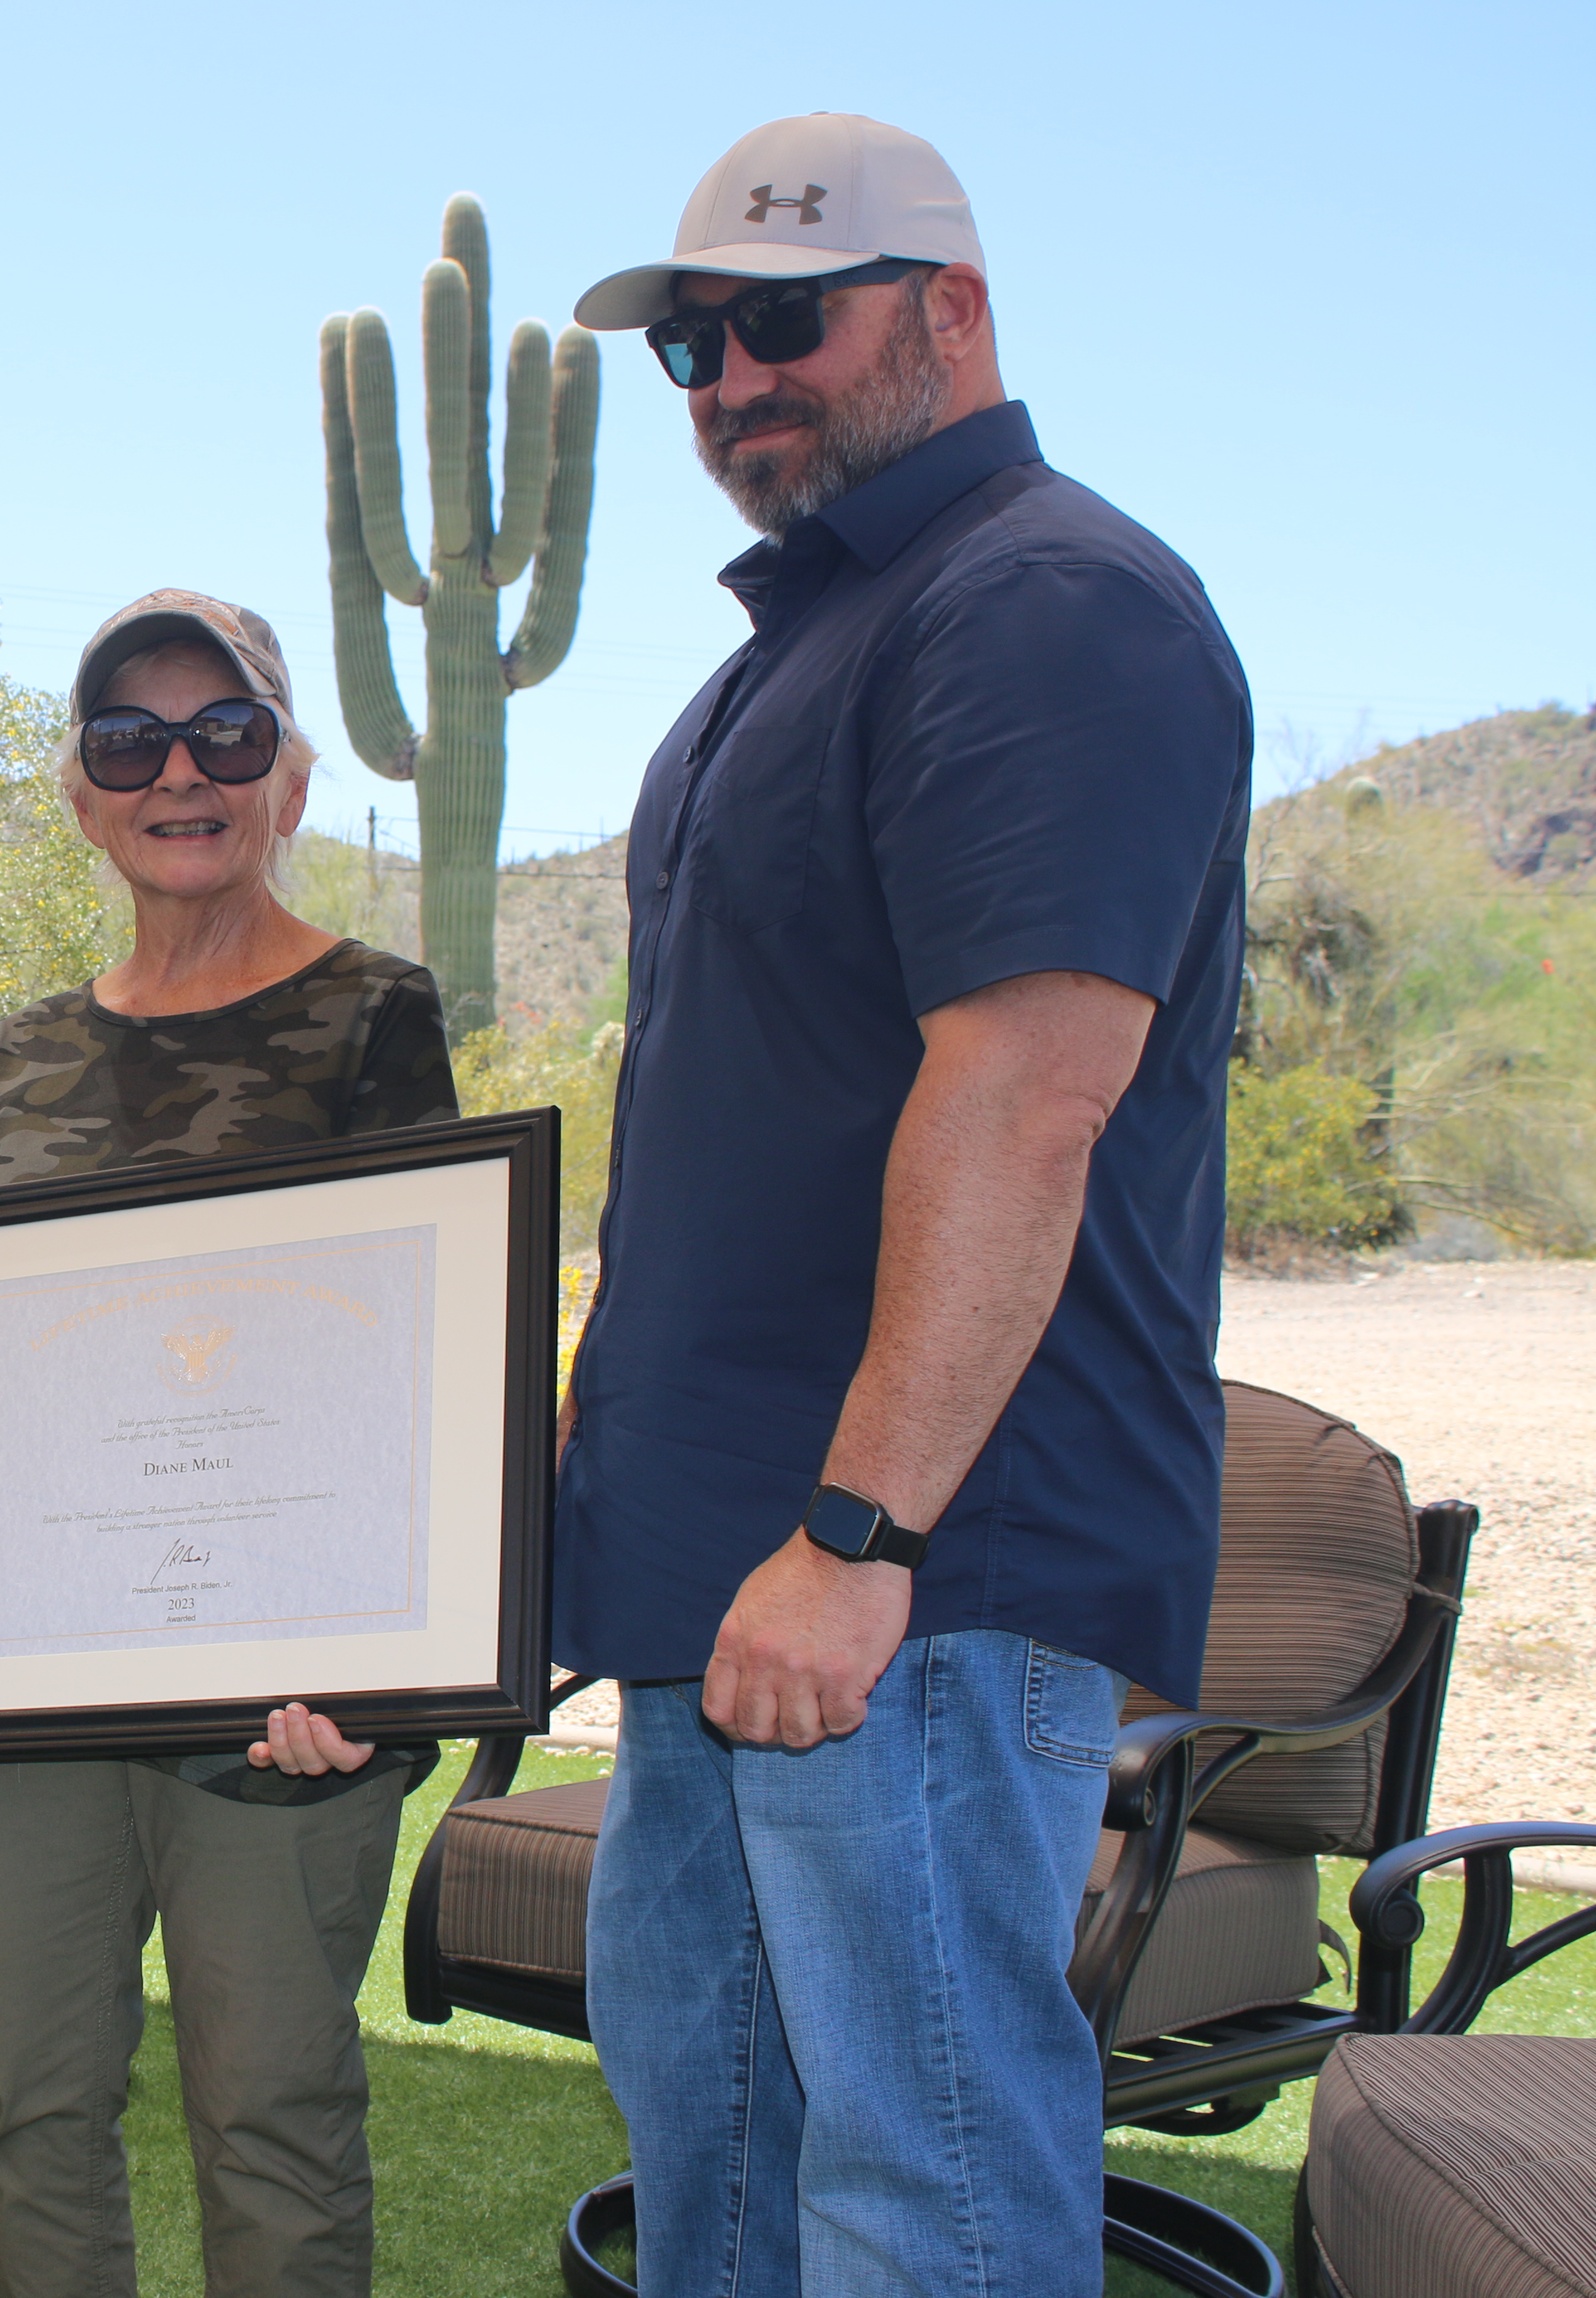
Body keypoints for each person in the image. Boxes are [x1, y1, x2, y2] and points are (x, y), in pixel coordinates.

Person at [556, 113, 1253, 2294]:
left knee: (918, 2190)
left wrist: (859, 1540)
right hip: (730, 1583)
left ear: (950, 312)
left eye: (784, 320)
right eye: (693, 348)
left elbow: (1033, 1091)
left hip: (911, 1590)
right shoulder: (785, 657)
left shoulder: (1045, 601)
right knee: (724, 2174)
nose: (734, 380)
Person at [0, 589, 457, 2298]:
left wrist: (388, 1666)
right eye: (129, 742)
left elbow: (425, 1357)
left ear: (290, 779)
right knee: (22, 2097)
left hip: (279, 1694)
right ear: (83, 796)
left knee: (273, 2110)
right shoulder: (22, 1051)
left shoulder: (378, 1016)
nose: (181, 772)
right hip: (25, 1677)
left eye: (225, 735)